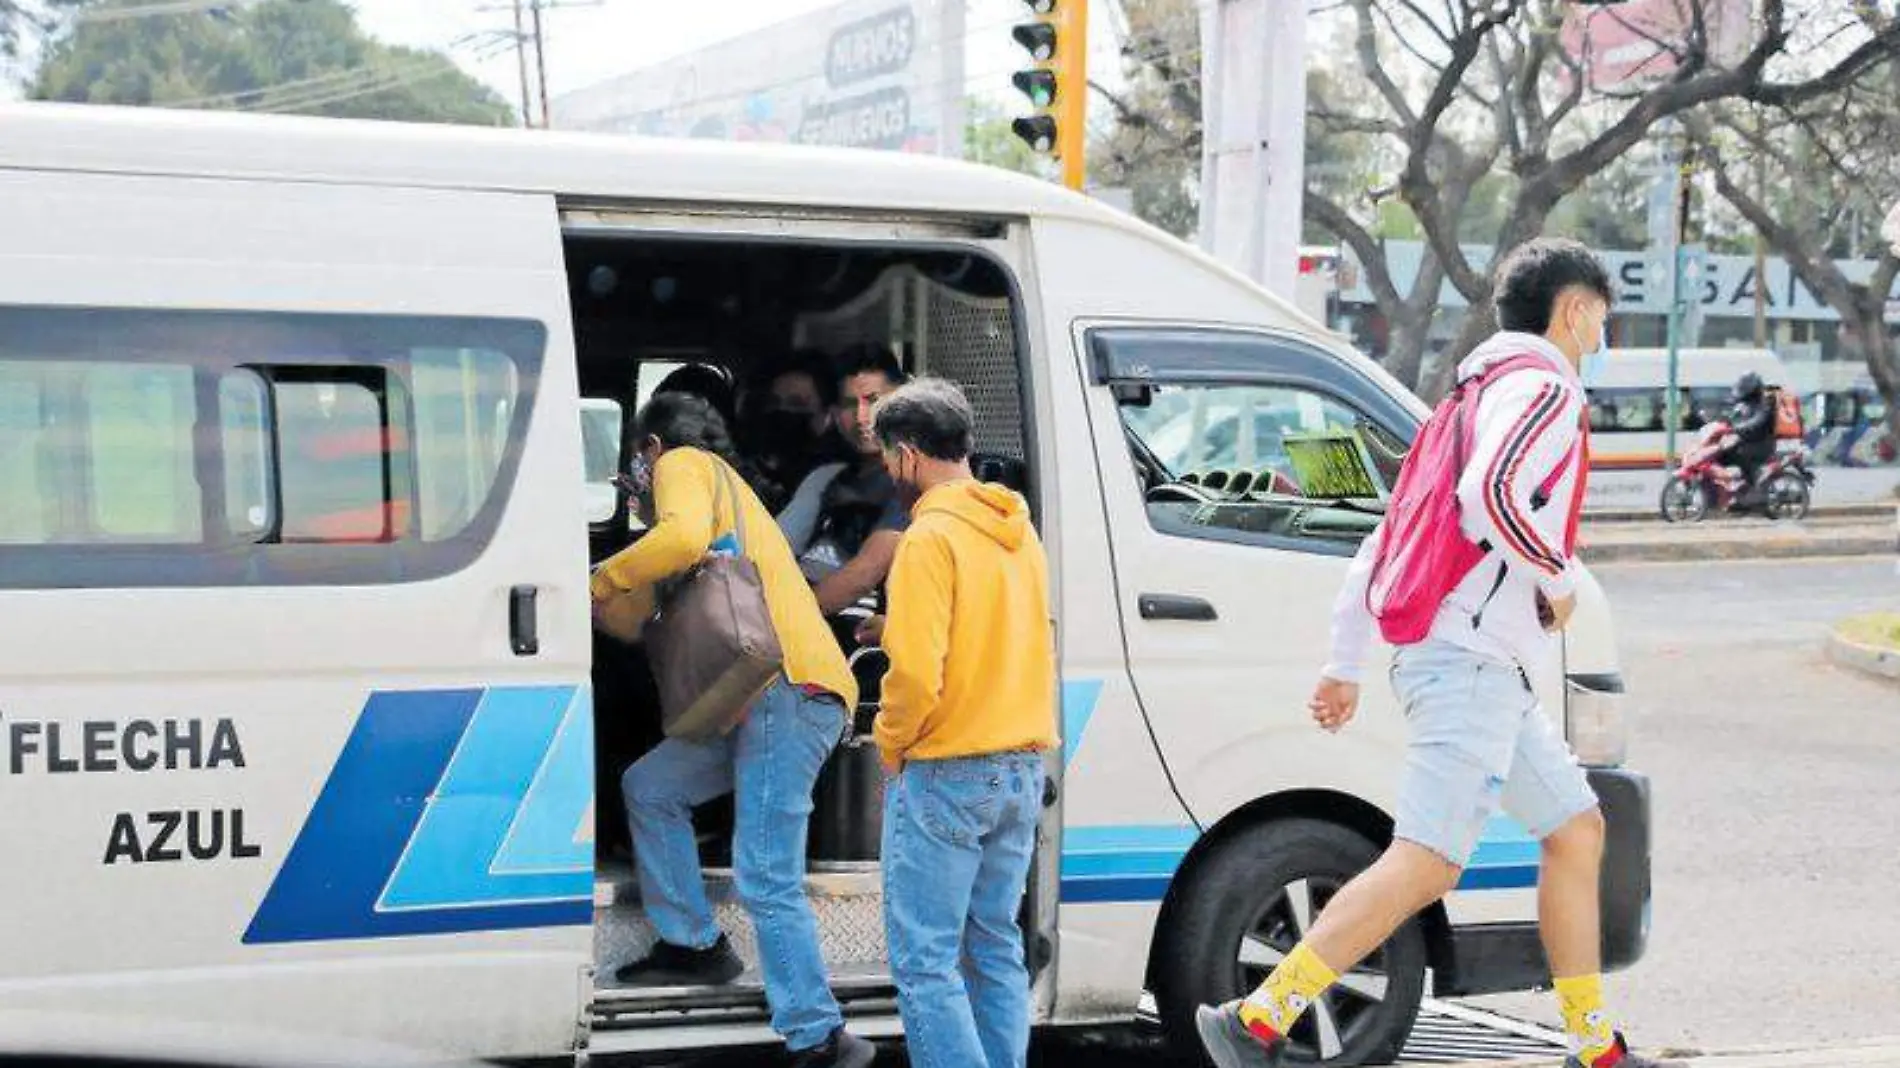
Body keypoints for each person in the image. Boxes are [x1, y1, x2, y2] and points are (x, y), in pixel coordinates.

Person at [1195, 239, 1657, 1068]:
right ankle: (1259, 1017)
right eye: (1602, 315)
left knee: (1576, 829)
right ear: (1577, 310)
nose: (1602, 333)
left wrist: (1345, 660)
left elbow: (1390, 540)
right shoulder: (1546, 389)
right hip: (1471, 665)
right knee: (1426, 864)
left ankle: (1593, 1049)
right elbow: (1494, 497)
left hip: (1472, 666)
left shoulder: (1467, 400)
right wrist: (1555, 580)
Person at [588, 392, 875, 1068]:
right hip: (749, 699)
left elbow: (679, 540)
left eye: (636, 463)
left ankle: (820, 1035)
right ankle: (692, 943)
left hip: (789, 689)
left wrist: (601, 573)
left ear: (650, 447)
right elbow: (633, 621)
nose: (634, 477)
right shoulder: (716, 504)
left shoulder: (683, 462)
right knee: (651, 786)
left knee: (765, 871)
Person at [871, 378, 1057, 1068]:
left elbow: (916, 672)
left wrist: (890, 743)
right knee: (994, 946)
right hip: (1020, 763)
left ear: (910, 456)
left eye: (888, 457)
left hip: (949, 768)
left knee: (925, 962)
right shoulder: (1018, 529)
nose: (888, 471)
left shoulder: (929, 539)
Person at [777, 345, 911, 616]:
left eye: (873, 400)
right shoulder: (826, 479)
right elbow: (774, 549)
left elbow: (863, 576)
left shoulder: (911, 481)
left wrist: (783, 624)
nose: (862, 418)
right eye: (850, 404)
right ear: (835, 414)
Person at [738, 351, 846, 515]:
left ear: (828, 414)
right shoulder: (757, 463)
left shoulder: (836, 479)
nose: (783, 412)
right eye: (774, 403)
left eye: (797, 404)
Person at [1720, 371, 1777, 491]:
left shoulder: (1765, 403)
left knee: (1739, 453)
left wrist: (1737, 428)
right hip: (1749, 441)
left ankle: (1750, 487)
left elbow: (1757, 421)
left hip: (1762, 444)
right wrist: (1721, 422)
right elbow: (1733, 415)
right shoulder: (1746, 403)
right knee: (1723, 454)